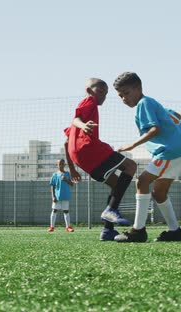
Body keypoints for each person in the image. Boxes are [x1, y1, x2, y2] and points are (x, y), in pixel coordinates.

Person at [113, 72, 181, 242]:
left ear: (138, 88)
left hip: (169, 151)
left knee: (142, 181)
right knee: (159, 192)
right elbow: (176, 115)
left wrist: (132, 145)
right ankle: (174, 231)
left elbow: (154, 129)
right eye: (120, 96)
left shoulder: (144, 103)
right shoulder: (153, 103)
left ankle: (138, 231)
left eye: (126, 93)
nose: (124, 99)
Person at [64, 78, 138, 241]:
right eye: (100, 91)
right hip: (89, 149)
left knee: (115, 184)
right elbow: (77, 119)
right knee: (131, 166)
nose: (103, 96)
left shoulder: (86, 113)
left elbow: (66, 141)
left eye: (105, 93)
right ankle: (111, 211)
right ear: (89, 91)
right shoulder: (88, 101)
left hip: (80, 157)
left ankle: (107, 230)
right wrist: (83, 125)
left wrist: (72, 168)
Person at [48, 159, 75, 232]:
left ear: (64, 165)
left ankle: (68, 227)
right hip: (57, 196)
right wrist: (53, 196)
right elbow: (52, 186)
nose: (61, 165)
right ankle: (52, 227)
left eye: (62, 164)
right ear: (57, 165)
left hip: (65, 196)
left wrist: (66, 179)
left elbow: (72, 184)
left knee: (66, 211)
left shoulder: (67, 174)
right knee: (54, 210)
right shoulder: (55, 174)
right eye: (59, 164)